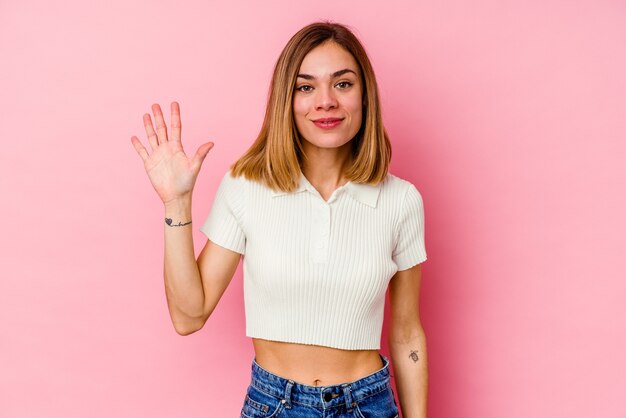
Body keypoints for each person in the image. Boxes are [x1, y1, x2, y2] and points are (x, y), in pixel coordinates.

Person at [131, 21, 428, 418]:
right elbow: (189, 315)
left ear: (365, 96)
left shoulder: (401, 201)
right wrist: (177, 203)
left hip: (368, 404)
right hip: (276, 404)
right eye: (305, 87)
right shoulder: (246, 186)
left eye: (342, 84)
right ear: (286, 101)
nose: (325, 101)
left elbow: (407, 331)